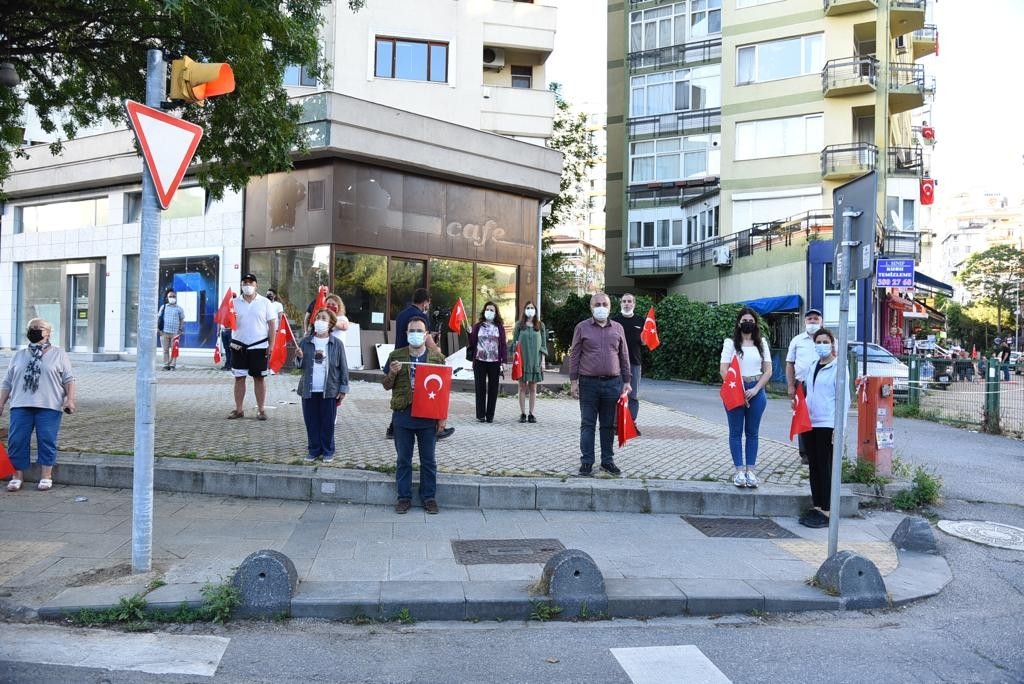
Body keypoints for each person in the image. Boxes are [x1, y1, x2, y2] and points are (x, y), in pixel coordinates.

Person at [0, 319, 76, 492]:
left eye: (38, 328)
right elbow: (7, 382)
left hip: (49, 404)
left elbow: (69, 380)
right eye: (31, 328)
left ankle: (46, 476)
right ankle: (16, 476)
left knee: (46, 440)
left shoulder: (59, 354)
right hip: (20, 404)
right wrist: (1, 403)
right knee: (17, 441)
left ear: (48, 332)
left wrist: (70, 400)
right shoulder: (18, 355)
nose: (34, 330)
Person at [382, 316, 445, 514]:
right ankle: (404, 497)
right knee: (403, 460)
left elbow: (444, 391)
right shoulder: (396, 355)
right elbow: (385, 385)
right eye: (412, 331)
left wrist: (442, 417)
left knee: (428, 460)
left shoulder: (437, 358)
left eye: (420, 331)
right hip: (403, 415)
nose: (416, 334)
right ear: (406, 333)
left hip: (427, 416)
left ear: (426, 335)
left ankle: (429, 497)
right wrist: (392, 373)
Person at [569, 292, 631, 477]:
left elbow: (624, 355)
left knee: (607, 426)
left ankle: (607, 461)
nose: (601, 307)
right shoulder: (581, 327)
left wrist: (627, 381)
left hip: (613, 384)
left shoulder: (618, 328)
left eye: (604, 304)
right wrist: (574, 382)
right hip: (588, 383)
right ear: (591, 307)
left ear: (610, 307)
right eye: (597, 304)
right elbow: (575, 355)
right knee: (587, 424)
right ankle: (587, 462)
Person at [799, 328, 850, 529]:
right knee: (813, 465)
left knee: (825, 466)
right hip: (810, 422)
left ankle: (828, 510)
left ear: (832, 344)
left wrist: (840, 428)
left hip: (827, 423)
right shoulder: (813, 366)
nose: (821, 345)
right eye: (818, 342)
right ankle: (817, 505)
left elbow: (843, 400)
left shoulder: (839, 367)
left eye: (825, 342)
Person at [386, 288, 453, 440]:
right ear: (425, 302)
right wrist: (437, 350)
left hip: (400, 357)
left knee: (400, 393)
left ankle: (393, 428)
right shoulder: (420, 315)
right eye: (428, 303)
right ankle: (431, 427)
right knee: (420, 393)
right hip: (414, 359)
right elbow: (427, 338)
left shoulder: (403, 313)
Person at [721, 307, 772, 488]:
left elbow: (768, 370)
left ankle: (750, 470)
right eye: (744, 320)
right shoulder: (730, 343)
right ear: (738, 323)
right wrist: (738, 389)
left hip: (756, 390)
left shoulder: (762, 343)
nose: (747, 323)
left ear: (756, 324)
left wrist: (756, 389)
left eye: (750, 320)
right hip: (736, 388)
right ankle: (739, 471)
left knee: (752, 432)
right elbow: (724, 369)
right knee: (735, 432)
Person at [294, 308, 349, 462]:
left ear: (331, 323)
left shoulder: (336, 344)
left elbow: (343, 368)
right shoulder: (306, 341)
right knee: (311, 421)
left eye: (324, 318)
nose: (320, 320)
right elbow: (299, 366)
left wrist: (343, 388)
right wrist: (298, 358)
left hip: (329, 390)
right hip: (309, 389)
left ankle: (328, 450)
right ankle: (313, 449)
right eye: (318, 317)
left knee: (327, 422)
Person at [227, 273, 276, 421]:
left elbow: (272, 324)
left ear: (256, 285)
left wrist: (271, 344)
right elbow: (226, 321)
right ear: (241, 285)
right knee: (239, 378)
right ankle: (239, 409)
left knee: (259, 378)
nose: (247, 285)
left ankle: (261, 410)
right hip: (238, 346)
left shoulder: (265, 302)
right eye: (245, 282)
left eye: (250, 282)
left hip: (259, 346)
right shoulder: (233, 302)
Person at [785, 308, 823, 466]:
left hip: (822, 385)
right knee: (802, 417)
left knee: (821, 417)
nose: (813, 322)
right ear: (805, 322)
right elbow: (790, 364)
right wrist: (791, 386)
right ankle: (805, 454)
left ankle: (821, 450)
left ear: (821, 321)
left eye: (816, 319)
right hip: (803, 384)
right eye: (810, 319)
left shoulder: (830, 340)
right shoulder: (797, 340)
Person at [467, 301, 507, 423]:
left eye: (492, 310)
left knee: (493, 388)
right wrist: (470, 333)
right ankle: (480, 415)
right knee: (480, 388)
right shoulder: (478, 326)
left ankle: (490, 415)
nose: (489, 312)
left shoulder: (499, 327)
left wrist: (504, 361)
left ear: (496, 313)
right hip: (480, 360)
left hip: (494, 361)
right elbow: (473, 343)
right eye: (487, 309)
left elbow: (503, 345)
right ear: (484, 311)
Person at [511, 301, 547, 423]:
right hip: (522, 361)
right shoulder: (519, 325)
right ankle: (522, 413)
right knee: (522, 387)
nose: (530, 309)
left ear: (535, 310)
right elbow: (514, 343)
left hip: (535, 361)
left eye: (532, 308)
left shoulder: (540, 325)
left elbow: (543, 345)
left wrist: (542, 361)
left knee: (533, 388)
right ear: (524, 310)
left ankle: (531, 413)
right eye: (528, 307)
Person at [611, 293, 643, 426]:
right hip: (616, 364)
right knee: (616, 394)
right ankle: (615, 423)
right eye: (624, 301)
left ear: (634, 304)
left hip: (634, 363)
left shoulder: (641, 321)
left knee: (633, 395)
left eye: (629, 301)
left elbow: (646, 341)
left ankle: (631, 423)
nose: (626, 303)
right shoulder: (614, 321)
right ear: (621, 304)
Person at [158, 288, 185, 371]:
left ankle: (173, 365)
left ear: (176, 297)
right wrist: (158, 330)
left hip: (175, 333)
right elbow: (159, 318)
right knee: (165, 350)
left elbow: (182, 320)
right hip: (164, 332)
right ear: (167, 297)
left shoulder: (179, 308)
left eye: (174, 296)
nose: (172, 298)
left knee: (174, 350)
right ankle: (166, 365)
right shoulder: (163, 307)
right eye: (170, 296)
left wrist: (180, 330)